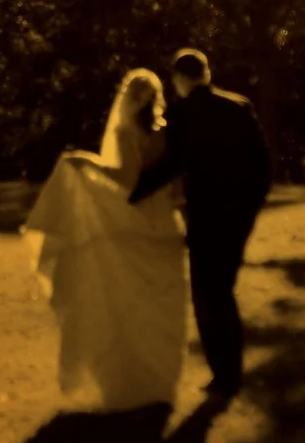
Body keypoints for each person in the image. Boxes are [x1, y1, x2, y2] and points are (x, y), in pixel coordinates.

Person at [20, 69, 190, 411]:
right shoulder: (166, 133)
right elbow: (176, 185)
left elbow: (127, 180)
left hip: (139, 225)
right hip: (165, 225)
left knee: (132, 305)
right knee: (162, 305)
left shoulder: (127, 133)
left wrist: (88, 163)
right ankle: (160, 381)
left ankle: (136, 380)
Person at [128, 48, 272, 399]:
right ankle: (229, 373)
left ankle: (224, 376)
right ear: (207, 73)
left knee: (209, 295)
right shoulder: (239, 105)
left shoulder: (183, 113)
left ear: (179, 78)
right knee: (222, 290)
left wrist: (131, 194)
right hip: (239, 216)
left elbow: (171, 164)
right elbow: (263, 165)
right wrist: (250, 207)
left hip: (208, 216)